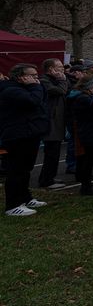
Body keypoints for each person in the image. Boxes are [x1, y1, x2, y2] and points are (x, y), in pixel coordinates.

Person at [0, 64, 50, 216]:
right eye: (32, 75)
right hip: (17, 135)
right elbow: (33, 101)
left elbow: (41, 101)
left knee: (26, 169)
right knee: (16, 170)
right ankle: (13, 205)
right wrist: (36, 87)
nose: (36, 79)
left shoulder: (26, 89)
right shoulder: (10, 90)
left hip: (30, 134)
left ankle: (25, 197)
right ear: (21, 77)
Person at [37, 58, 68, 189]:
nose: (62, 70)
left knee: (55, 152)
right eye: (60, 67)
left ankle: (50, 177)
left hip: (58, 121)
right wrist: (62, 80)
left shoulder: (56, 81)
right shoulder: (45, 81)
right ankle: (46, 180)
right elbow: (60, 91)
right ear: (51, 69)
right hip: (51, 122)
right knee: (51, 153)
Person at [69, 75, 93, 196]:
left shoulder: (82, 96)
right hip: (88, 131)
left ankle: (84, 181)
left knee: (86, 158)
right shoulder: (83, 98)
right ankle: (86, 186)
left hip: (86, 130)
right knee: (88, 159)